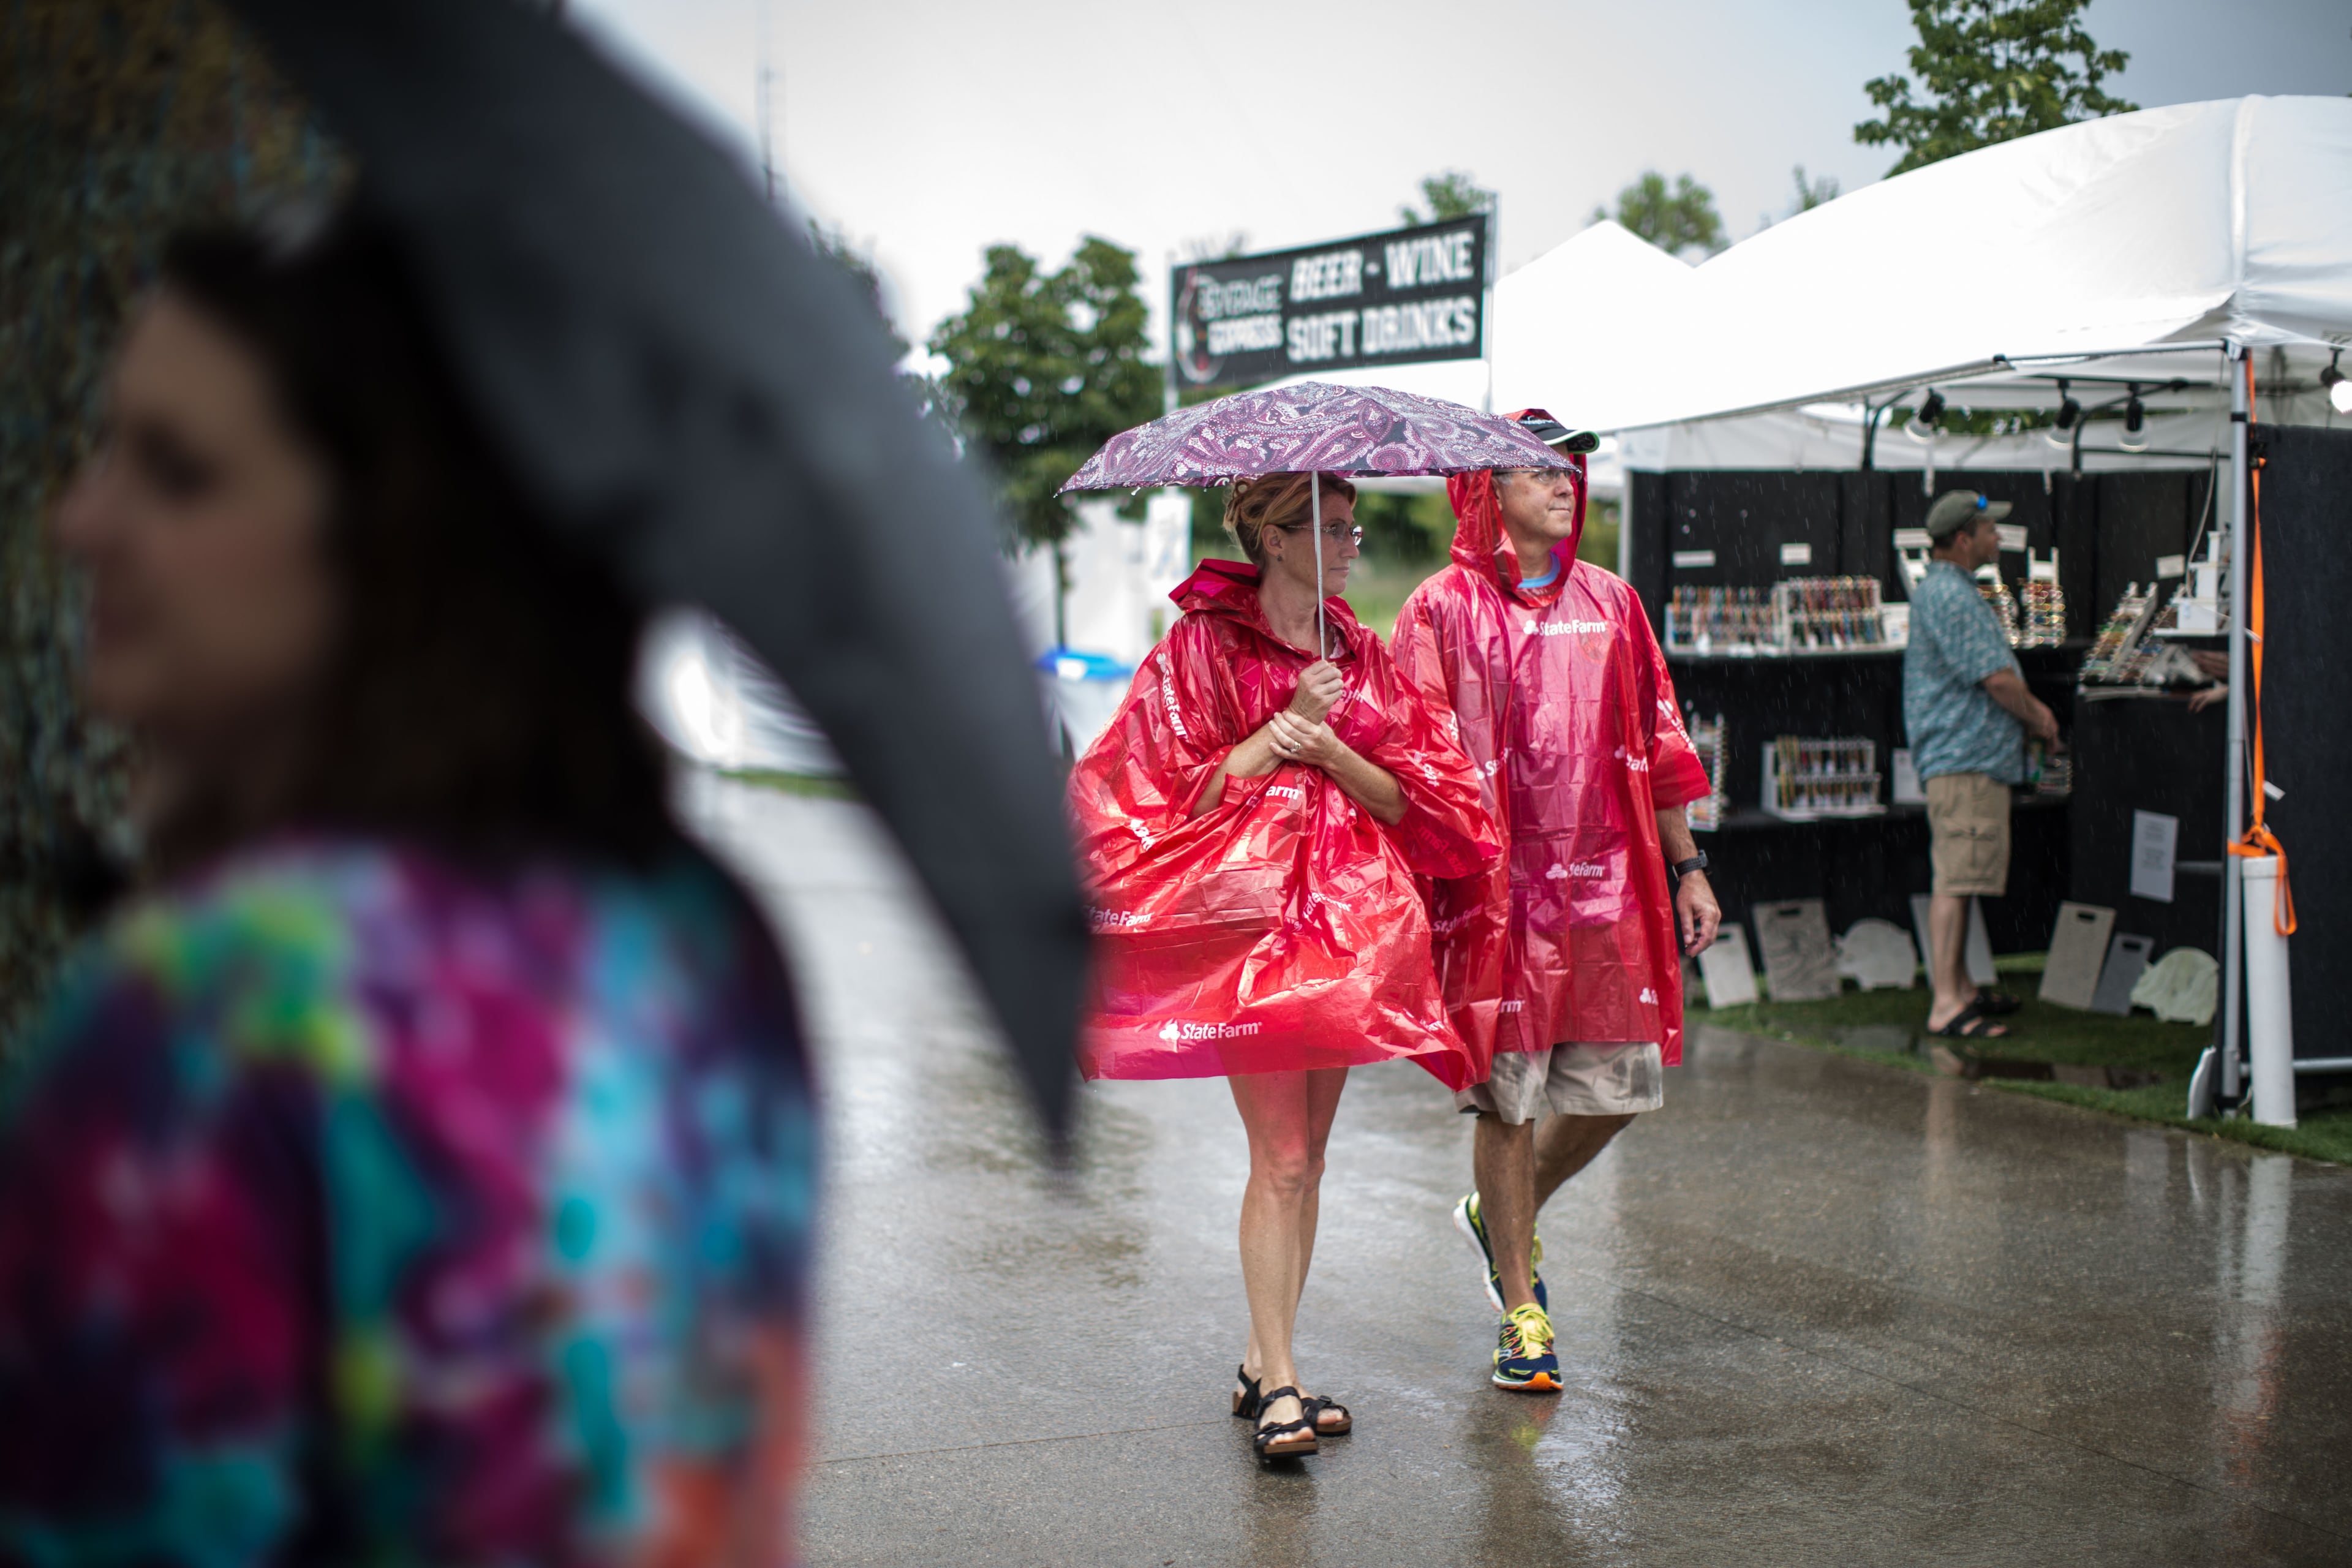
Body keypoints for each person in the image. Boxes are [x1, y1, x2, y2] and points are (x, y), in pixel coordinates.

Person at [0, 216, 815, 1562]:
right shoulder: (710, 937)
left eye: (178, 471)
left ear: (396, 535)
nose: (80, 519)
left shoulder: (221, 997)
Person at [1068, 472, 1497, 1461]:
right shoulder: (1201, 651)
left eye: (1351, 528)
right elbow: (1164, 797)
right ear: (1272, 533)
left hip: (1346, 940)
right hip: (1249, 941)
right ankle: (1281, 1387)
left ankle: (1269, 1363)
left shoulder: (1363, 654)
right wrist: (1276, 730)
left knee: (1312, 1159)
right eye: (1334, 529)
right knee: (1285, 1160)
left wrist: (1332, 744)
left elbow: (1416, 803)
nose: (1352, 545)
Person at [1392, 413, 1719, 1395]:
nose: (1566, 482)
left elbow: (1659, 744)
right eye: (1540, 470)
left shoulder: (1614, 604)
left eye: (1572, 467)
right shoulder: (1439, 610)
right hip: (1496, 908)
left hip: (1608, 897)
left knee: (1617, 1096)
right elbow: (1412, 761)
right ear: (1486, 489)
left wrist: (1692, 865)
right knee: (1509, 1102)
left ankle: (1503, 1211)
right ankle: (1524, 1313)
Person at [1904, 489, 2061, 1040]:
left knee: (1965, 875)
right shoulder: (1950, 595)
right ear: (1965, 538)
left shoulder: (1951, 590)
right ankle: (1947, 1003)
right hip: (1964, 759)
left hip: (1969, 758)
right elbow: (1995, 679)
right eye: (1991, 530)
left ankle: (1963, 986)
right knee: (1955, 877)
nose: (1999, 537)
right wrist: (2040, 716)